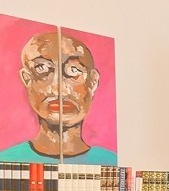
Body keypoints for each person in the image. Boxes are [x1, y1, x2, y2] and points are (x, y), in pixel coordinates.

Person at [0, 30, 117, 164]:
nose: (58, 89)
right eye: (42, 69)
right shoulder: (7, 160)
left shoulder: (111, 163)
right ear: (27, 79)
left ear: (93, 81)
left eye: (74, 70)